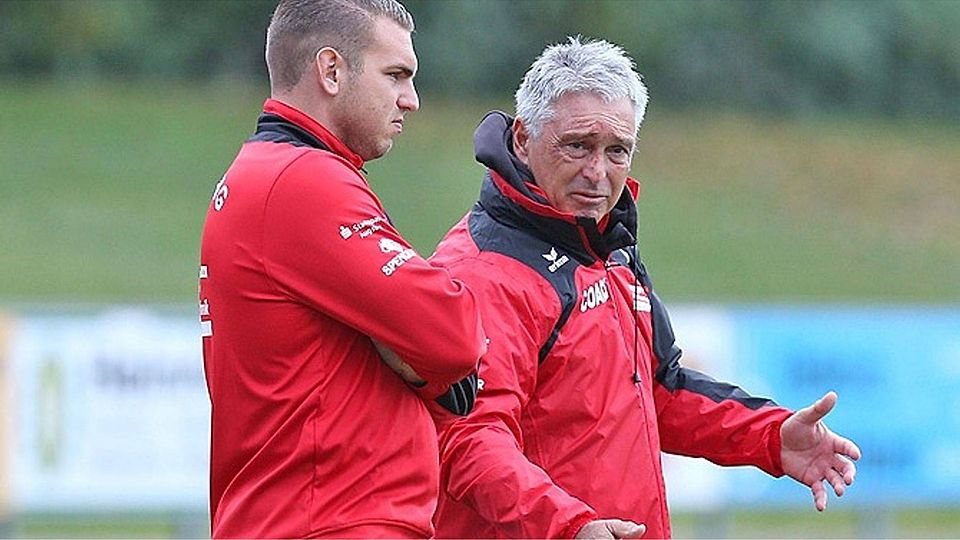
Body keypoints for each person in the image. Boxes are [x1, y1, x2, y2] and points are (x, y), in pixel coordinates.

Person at [428, 37, 861, 539]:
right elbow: (468, 439)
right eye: (578, 146)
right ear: (523, 140)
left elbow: (660, 389)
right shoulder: (484, 272)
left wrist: (769, 435)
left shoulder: (605, 244)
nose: (598, 173)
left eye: (617, 151)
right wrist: (570, 527)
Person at [197, 0, 487, 537]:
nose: (412, 100)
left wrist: (413, 357)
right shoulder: (304, 181)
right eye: (395, 75)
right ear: (331, 70)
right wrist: (429, 367)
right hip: (331, 521)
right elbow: (455, 334)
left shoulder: (264, 173)